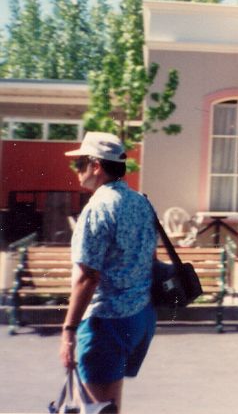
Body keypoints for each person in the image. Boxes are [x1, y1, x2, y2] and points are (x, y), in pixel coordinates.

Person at [59, 132, 157, 413]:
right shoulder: (141, 202)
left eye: (80, 163)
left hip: (106, 322)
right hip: (138, 317)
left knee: (95, 407)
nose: (77, 170)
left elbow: (88, 277)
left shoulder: (98, 208)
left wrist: (68, 331)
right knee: (109, 405)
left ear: (96, 166)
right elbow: (150, 257)